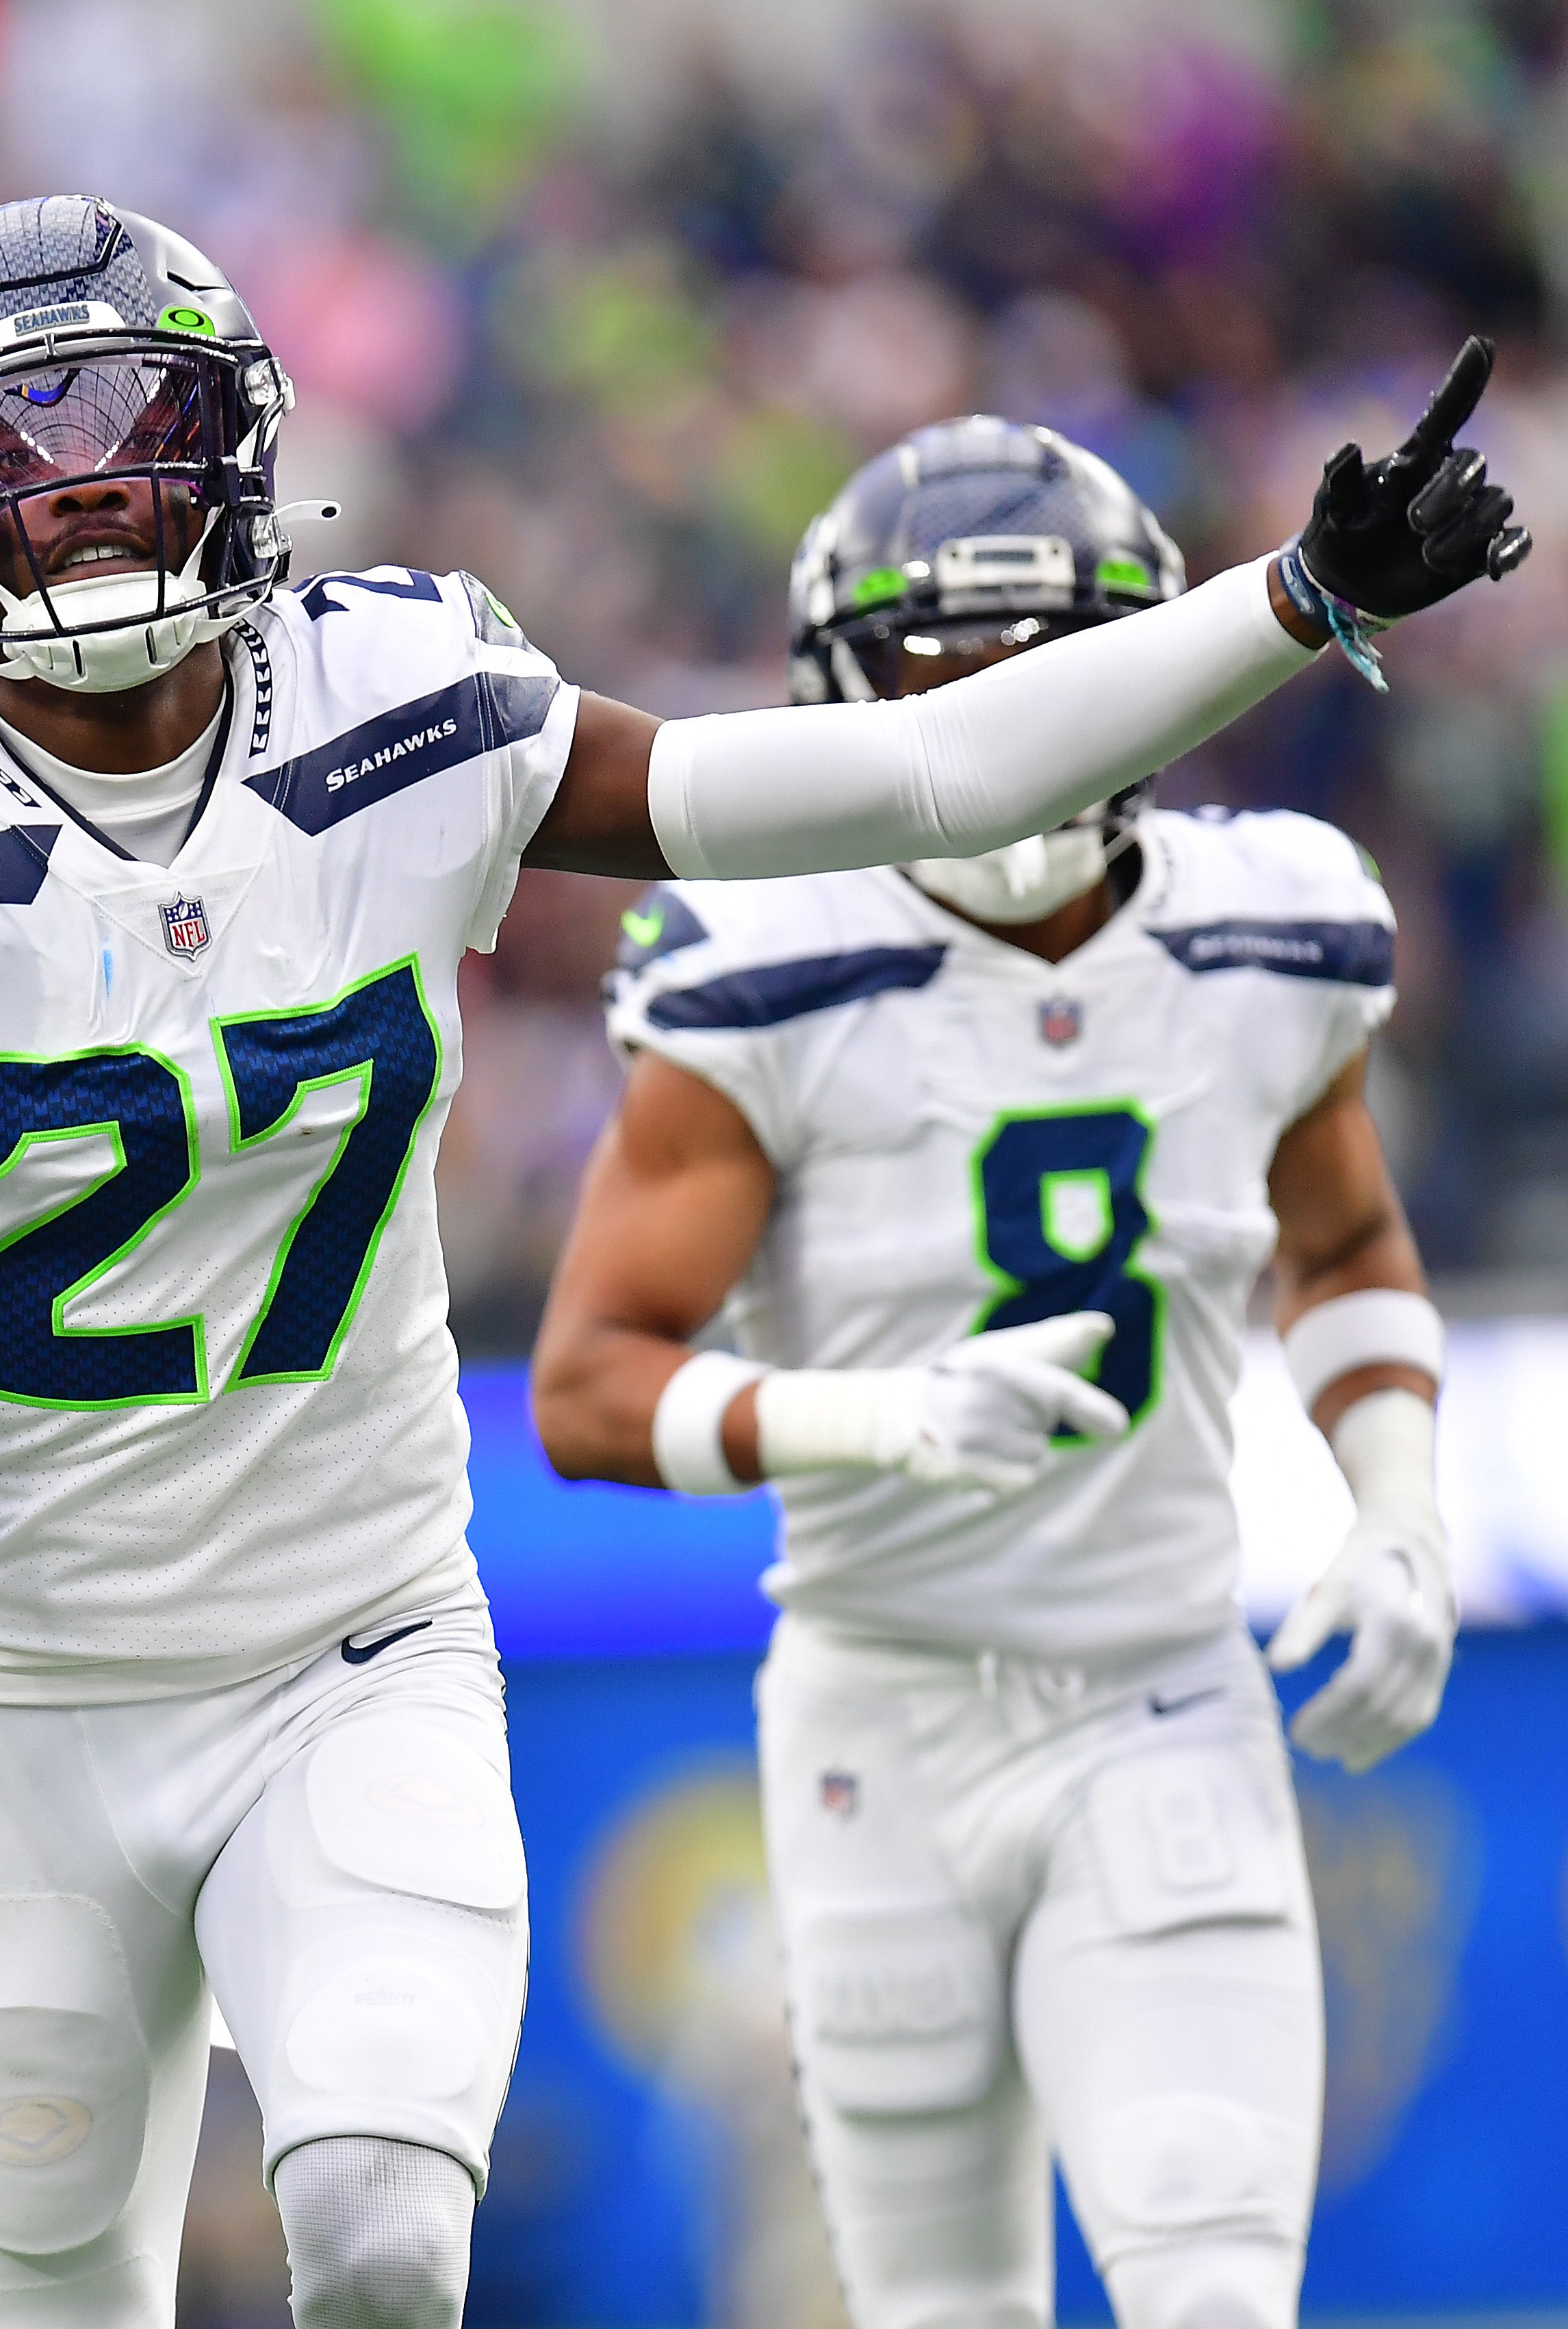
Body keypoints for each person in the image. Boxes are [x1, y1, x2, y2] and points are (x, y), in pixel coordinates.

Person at [0, 192, 1523, 2329]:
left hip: (359, 1646)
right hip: (20, 1702)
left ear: (238, 443)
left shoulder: (406, 706)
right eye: (21, 451)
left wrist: (1298, 597)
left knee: (387, 2239)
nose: (88, 492)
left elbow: (930, 771)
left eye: (128, 428)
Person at [526, 417, 1454, 2329]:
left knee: (1212, 2281)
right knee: (941, 2308)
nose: (1010, 713)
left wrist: (1402, 1510)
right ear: (854, 699)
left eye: (1055, 661)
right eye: (954, 671)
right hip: (880, 1711)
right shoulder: (765, 959)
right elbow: (589, 1387)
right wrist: (877, 1416)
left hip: (1158, 1684)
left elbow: (1347, 1246)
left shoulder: (1278, 921)